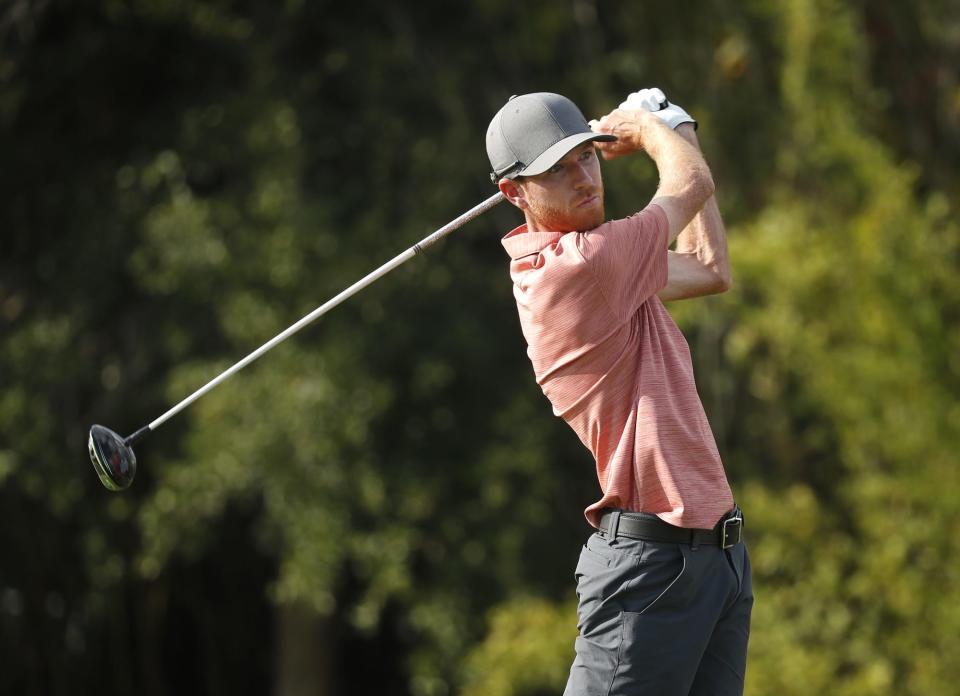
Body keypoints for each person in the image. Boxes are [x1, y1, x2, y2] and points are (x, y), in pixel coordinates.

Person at [486, 90, 753, 695]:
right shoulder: (580, 268)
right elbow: (690, 184)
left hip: (718, 559)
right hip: (651, 571)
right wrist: (653, 130)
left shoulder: (609, 265)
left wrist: (678, 130)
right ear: (515, 193)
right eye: (556, 170)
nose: (582, 178)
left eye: (586, 157)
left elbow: (711, 269)